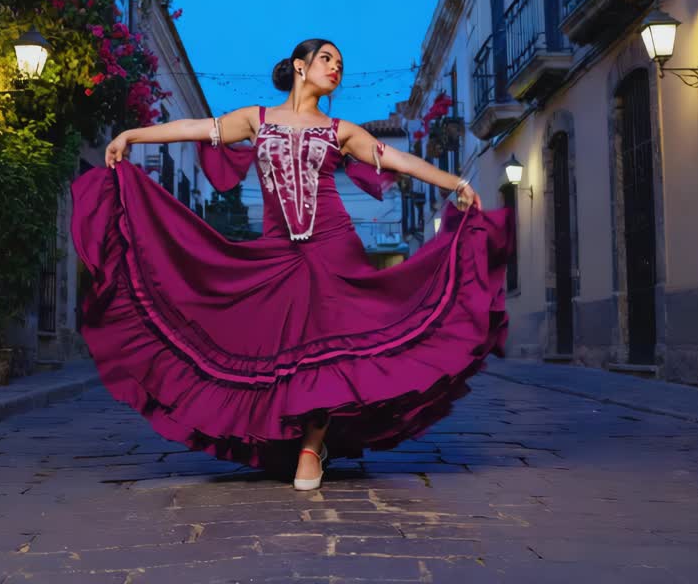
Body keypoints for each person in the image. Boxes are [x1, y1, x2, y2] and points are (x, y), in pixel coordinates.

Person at [70, 38, 512, 490]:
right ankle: (296, 440)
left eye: (340, 63)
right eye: (327, 59)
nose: (336, 68)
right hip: (278, 250)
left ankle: (310, 447)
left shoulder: (342, 130)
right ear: (300, 66)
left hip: (335, 246)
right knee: (283, 347)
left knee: (328, 344)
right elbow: (195, 128)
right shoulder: (255, 119)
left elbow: (395, 157)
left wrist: (455, 181)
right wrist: (132, 135)